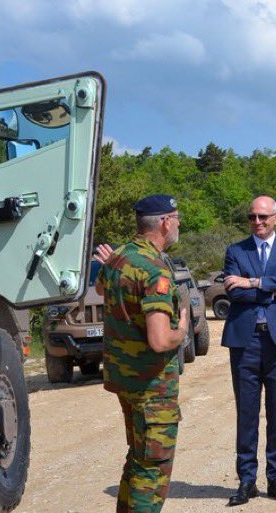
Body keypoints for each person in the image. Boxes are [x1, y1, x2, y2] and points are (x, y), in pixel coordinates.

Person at [94, 194, 189, 513]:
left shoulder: (120, 257)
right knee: (153, 469)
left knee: (138, 458)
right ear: (165, 222)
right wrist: (183, 331)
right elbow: (161, 340)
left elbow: (100, 289)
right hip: (152, 387)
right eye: (176, 218)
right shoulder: (154, 269)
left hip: (126, 381)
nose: (178, 224)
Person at [222, 195, 276, 506]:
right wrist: (275, 286)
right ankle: (247, 480)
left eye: (263, 217)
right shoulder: (235, 250)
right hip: (245, 340)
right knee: (246, 412)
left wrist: (253, 282)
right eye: (252, 217)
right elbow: (234, 293)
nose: (257, 222)